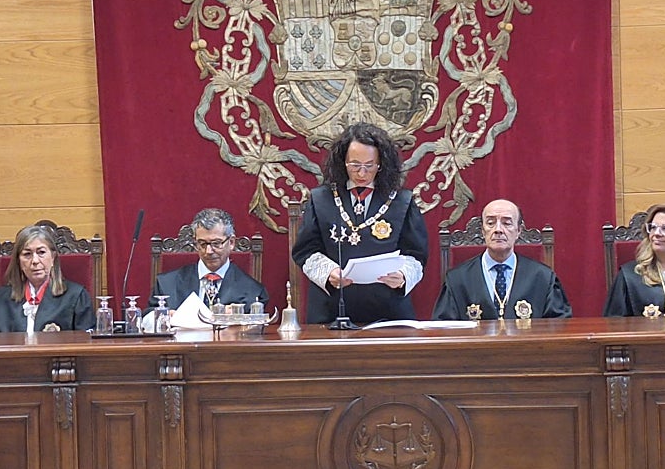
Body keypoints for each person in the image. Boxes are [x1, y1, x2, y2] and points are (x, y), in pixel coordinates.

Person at [291, 121, 428, 325]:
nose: (361, 173)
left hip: (388, 311)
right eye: (355, 165)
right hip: (330, 310)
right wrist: (329, 272)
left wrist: (403, 275)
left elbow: (416, 255)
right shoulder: (321, 199)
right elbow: (305, 251)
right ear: (342, 161)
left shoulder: (402, 201)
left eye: (369, 165)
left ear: (381, 164)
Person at [433, 198, 571, 321]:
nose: (498, 230)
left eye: (507, 223)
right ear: (482, 230)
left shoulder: (543, 277)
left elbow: (559, 326)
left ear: (518, 231)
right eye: (491, 223)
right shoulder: (456, 279)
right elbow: (444, 330)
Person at [149, 208, 269, 311]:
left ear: (231, 242)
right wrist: (162, 316)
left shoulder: (253, 292)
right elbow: (147, 318)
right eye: (202, 244)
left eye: (216, 243)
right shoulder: (166, 284)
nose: (208, 251)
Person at [0, 224, 94, 332]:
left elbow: (87, 346)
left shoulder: (76, 297)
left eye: (41, 252)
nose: (35, 261)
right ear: (18, 261)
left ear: (53, 257)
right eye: (27, 254)